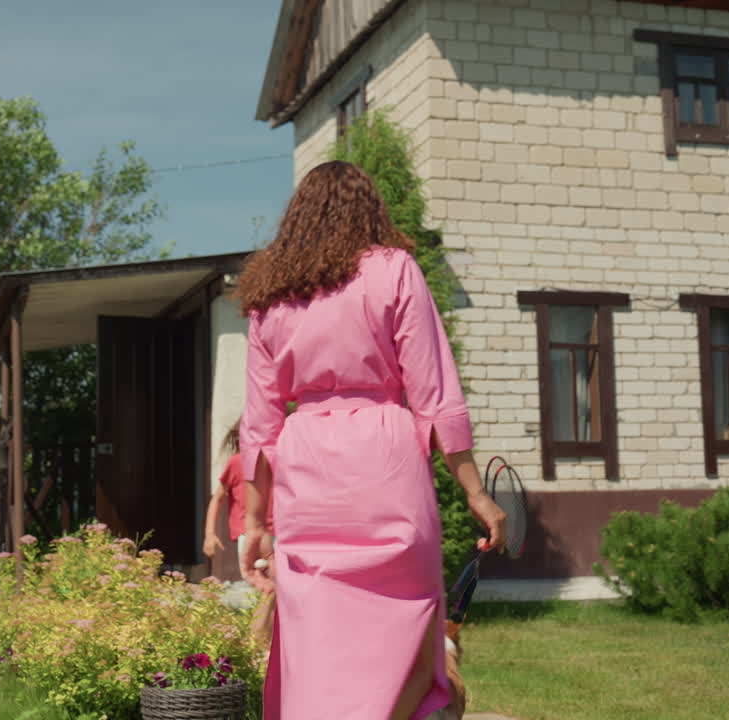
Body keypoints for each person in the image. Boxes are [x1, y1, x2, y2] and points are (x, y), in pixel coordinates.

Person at [237, 160, 507, 720]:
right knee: (404, 623)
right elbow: (434, 395)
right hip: (386, 459)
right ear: (371, 211)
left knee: (317, 639)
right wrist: (477, 495)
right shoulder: (397, 270)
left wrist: (255, 524)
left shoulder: (270, 294)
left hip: (306, 465)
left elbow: (260, 427)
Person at [202, 416, 274, 570]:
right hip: (248, 533)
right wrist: (210, 534)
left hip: (279, 533)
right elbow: (217, 499)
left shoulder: (279, 460)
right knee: (260, 583)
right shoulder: (236, 463)